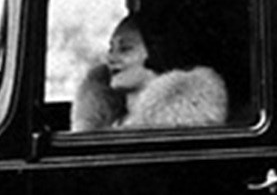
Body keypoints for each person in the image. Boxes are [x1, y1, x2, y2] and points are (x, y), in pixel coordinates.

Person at [71, 14, 227, 130]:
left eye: (125, 49)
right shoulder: (111, 123)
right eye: (111, 48)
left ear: (157, 53)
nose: (110, 58)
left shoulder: (180, 126)